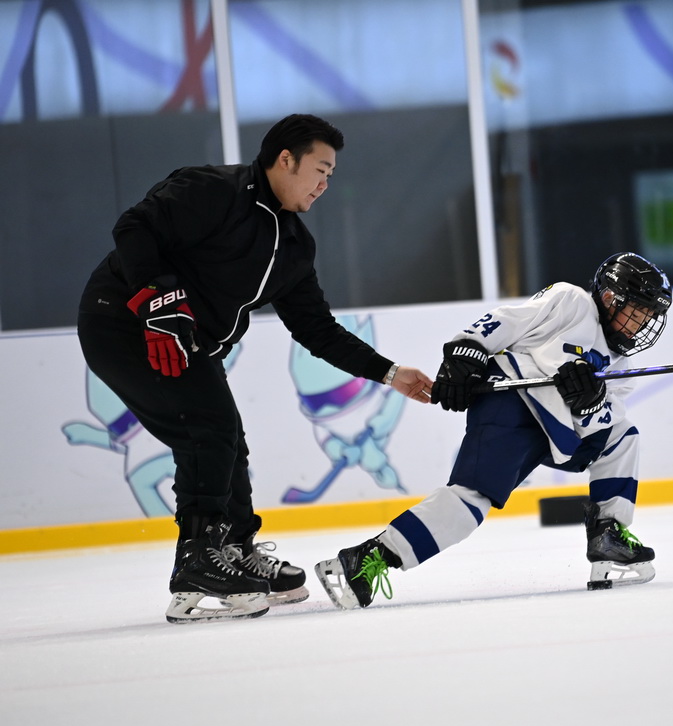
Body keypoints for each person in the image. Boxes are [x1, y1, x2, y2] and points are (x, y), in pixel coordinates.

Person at [77, 114, 433, 623]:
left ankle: (236, 551)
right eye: (320, 169)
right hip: (122, 322)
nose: (325, 184)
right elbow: (135, 227)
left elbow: (317, 329)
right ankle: (198, 559)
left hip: (191, 343)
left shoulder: (294, 248)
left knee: (227, 438)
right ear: (285, 159)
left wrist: (389, 372)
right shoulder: (211, 189)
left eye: (331, 175)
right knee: (209, 428)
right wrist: (156, 297)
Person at [315, 252, 672, 609]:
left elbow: (600, 420)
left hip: (554, 432)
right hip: (513, 404)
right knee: (468, 504)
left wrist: (588, 402)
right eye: (637, 314)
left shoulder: (621, 367)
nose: (639, 327)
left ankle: (607, 536)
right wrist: (466, 351)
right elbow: (506, 321)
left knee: (622, 437)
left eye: (647, 319)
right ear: (610, 298)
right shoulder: (572, 302)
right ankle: (364, 559)